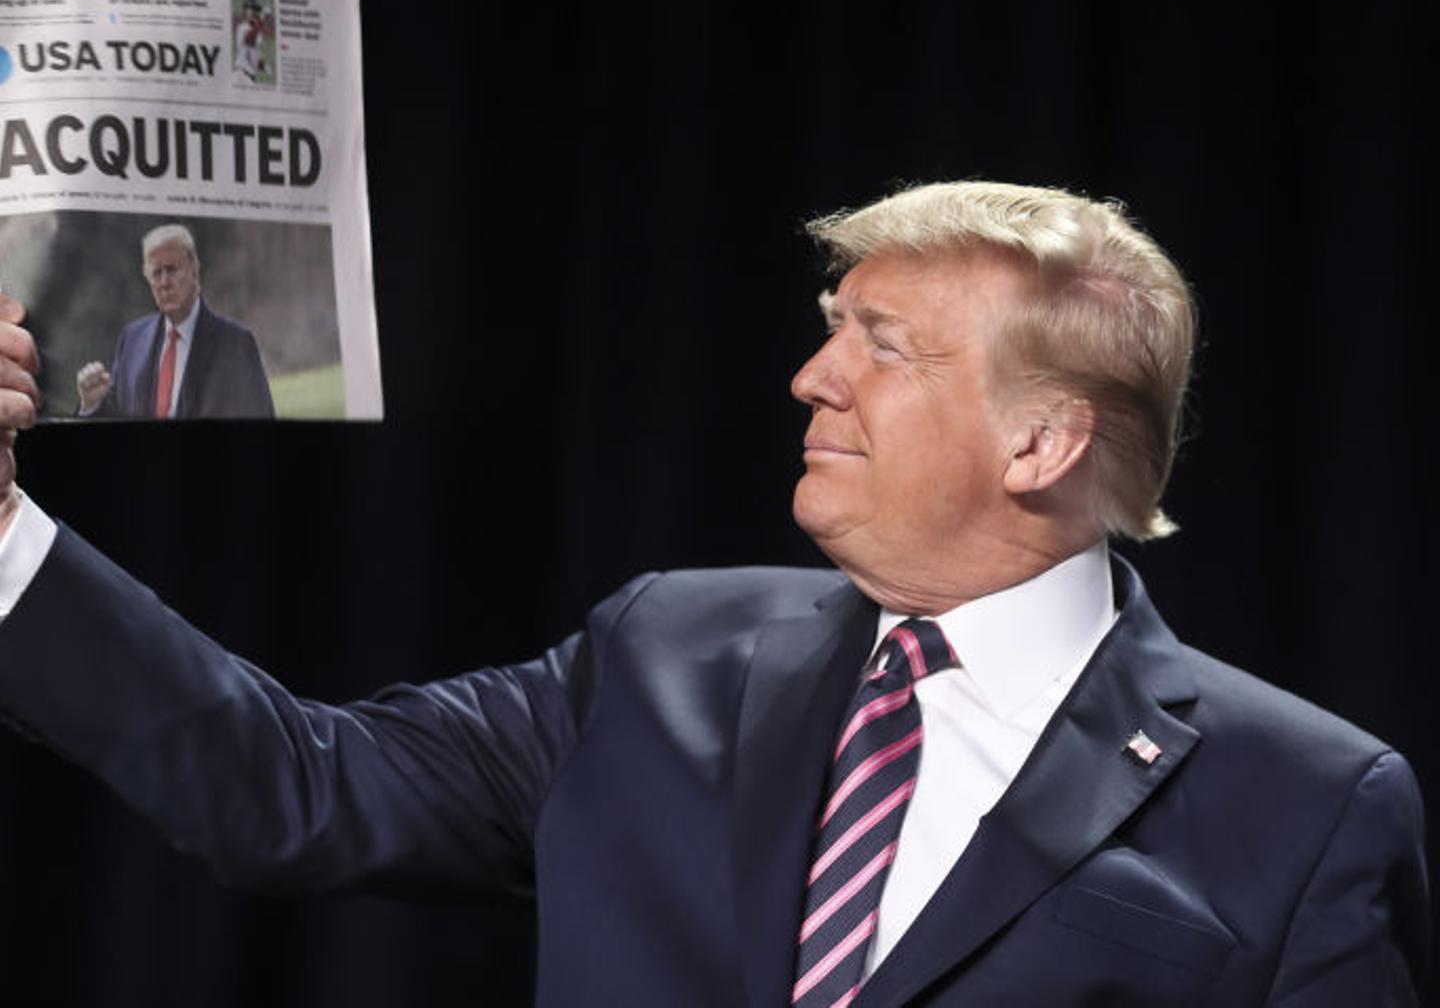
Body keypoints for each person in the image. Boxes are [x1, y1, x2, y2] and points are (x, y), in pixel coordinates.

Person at [0, 182, 1427, 1005]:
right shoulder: (664, 653)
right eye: (830, 334)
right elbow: (288, 787)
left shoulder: (1305, 806)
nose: (815, 377)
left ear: (1041, 441)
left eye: (884, 345)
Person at [76, 223, 275, 420]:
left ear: (194, 271)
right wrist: (91, 405)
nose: (164, 283)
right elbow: (115, 418)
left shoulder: (236, 344)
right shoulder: (132, 339)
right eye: (156, 273)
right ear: (147, 278)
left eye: (172, 270)